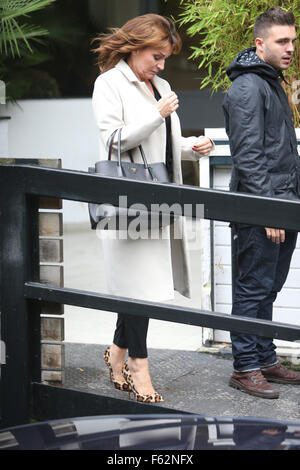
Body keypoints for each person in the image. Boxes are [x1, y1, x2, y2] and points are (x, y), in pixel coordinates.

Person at [91, 14, 214, 403]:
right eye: (157, 56)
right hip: (128, 200)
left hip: (156, 198)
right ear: (136, 46)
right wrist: (157, 114)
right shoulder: (109, 83)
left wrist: (190, 146)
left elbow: (157, 149)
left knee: (139, 287)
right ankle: (138, 365)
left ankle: (117, 352)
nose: (161, 66)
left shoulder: (159, 85)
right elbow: (114, 142)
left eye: (164, 59)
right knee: (138, 289)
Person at [223, 6, 300, 399]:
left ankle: (265, 357)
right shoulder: (247, 88)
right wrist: (267, 207)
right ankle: (245, 367)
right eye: (281, 41)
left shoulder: (271, 82)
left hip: (283, 204)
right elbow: (249, 154)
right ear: (260, 43)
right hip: (262, 208)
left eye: (293, 40)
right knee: (252, 287)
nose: (290, 48)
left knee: (270, 286)